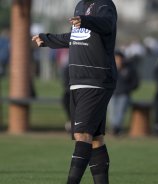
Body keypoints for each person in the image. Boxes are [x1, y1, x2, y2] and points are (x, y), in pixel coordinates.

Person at [32, 0, 117, 183]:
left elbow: (107, 24)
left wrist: (85, 21)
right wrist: (47, 40)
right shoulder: (79, 6)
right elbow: (75, 37)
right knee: (95, 138)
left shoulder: (104, 5)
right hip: (79, 80)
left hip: (95, 79)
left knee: (82, 134)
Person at [108, 50, 139, 136]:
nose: (118, 60)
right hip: (112, 94)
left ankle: (116, 128)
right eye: (116, 58)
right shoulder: (109, 68)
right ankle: (115, 128)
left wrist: (127, 89)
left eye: (119, 58)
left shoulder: (129, 69)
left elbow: (135, 83)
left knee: (120, 111)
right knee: (112, 112)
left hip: (124, 94)